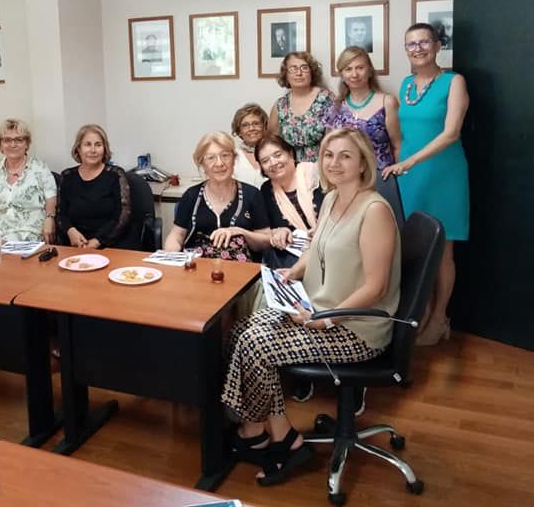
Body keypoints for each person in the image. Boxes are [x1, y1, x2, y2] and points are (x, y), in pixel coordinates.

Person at [223, 128, 400, 485]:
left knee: (257, 344)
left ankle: (284, 441)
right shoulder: (332, 199)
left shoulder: (374, 210)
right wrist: (294, 271)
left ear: (363, 162)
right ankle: (255, 431)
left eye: (346, 156)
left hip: (354, 328)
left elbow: (376, 287)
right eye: (328, 155)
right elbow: (316, 247)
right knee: (242, 329)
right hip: (318, 308)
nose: (334, 163)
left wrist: (325, 320)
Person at [383, 23, 469, 346]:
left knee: (443, 251)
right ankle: (423, 310)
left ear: (436, 46)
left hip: (443, 174)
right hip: (410, 177)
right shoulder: (406, 85)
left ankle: (439, 318)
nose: (417, 48)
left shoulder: (453, 81)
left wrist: (408, 162)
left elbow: (451, 133)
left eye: (424, 42)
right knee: (418, 249)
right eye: (411, 44)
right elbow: (401, 133)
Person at [163, 132, 271, 261]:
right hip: (197, 267)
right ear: (202, 163)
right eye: (211, 158)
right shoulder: (191, 195)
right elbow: (177, 235)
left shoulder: (252, 194)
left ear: (234, 159)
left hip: (241, 269)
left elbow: (266, 241)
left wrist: (241, 232)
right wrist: (170, 255)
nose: (219, 163)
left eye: (225, 155)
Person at [0, 119, 57, 242]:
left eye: (19, 139)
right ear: (0, 145)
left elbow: (51, 199)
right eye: (7, 140)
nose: (13, 144)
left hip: (30, 233)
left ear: (26, 144)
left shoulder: (40, 168)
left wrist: (50, 218)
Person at [254, 135, 324, 271]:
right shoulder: (266, 190)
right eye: (265, 161)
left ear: (290, 154)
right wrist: (280, 232)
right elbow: (269, 229)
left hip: (331, 243)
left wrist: (324, 230)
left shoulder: (317, 174)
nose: (273, 163)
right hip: (297, 254)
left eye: (278, 155)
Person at [325, 47, 401, 169]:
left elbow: (398, 146)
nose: (354, 74)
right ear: (342, 75)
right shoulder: (335, 107)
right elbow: (327, 148)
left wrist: (399, 174)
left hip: (380, 175)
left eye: (360, 68)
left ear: (370, 71)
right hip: (343, 176)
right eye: (348, 69)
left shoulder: (387, 103)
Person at [57, 124, 131, 249]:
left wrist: (97, 241)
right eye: (87, 144)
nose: (93, 150)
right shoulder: (67, 176)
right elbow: (61, 214)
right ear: (78, 149)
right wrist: (70, 231)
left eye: (98, 145)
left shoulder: (116, 175)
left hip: (111, 244)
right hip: (76, 245)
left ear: (104, 149)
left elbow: (122, 217)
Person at [269, 51, 333, 163]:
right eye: (293, 68)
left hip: (322, 166)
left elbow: (335, 140)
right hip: (290, 168)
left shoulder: (326, 99)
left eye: (304, 68)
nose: (299, 73)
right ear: (286, 74)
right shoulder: (280, 105)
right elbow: (272, 143)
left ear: (312, 72)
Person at [230, 103, 267, 188]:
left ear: (264, 127)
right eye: (245, 125)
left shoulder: (274, 153)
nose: (251, 128)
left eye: (256, 123)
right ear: (239, 131)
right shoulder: (233, 156)